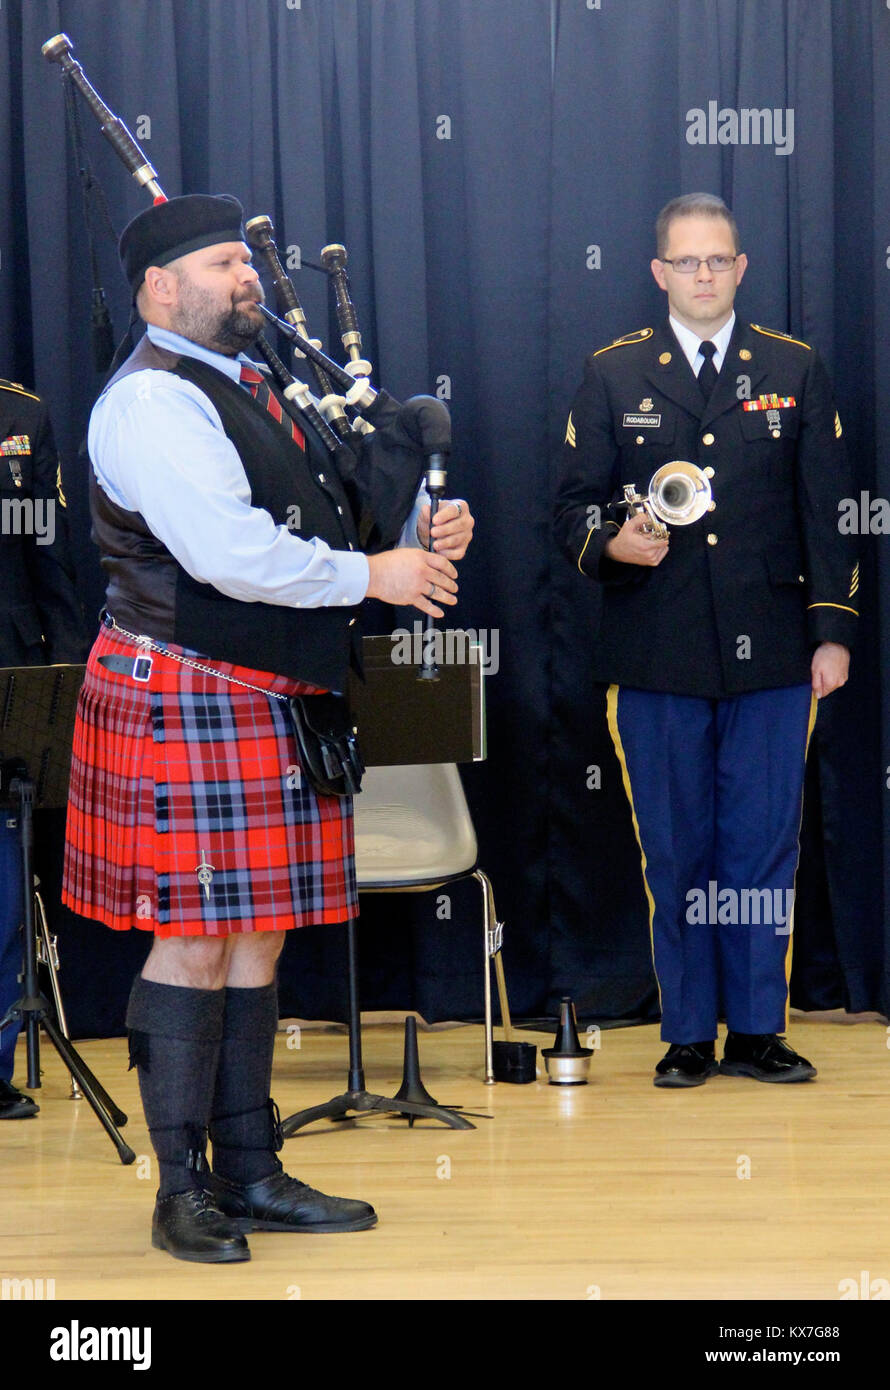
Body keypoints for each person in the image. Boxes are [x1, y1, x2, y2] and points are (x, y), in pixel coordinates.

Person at [62, 194, 474, 1262]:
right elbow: (229, 554)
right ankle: (180, 1190)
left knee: (255, 934)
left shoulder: (251, 386)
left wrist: (420, 531)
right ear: (160, 288)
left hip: (264, 694)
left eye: (247, 263)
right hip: (186, 688)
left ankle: (251, 1169)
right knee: (195, 938)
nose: (248, 279)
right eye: (221, 264)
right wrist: (373, 574)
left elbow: (326, 507)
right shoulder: (153, 403)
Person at [555, 193, 857, 1089]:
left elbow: (829, 519)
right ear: (658, 273)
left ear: (741, 269)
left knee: (763, 845)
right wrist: (613, 539)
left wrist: (832, 635)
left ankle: (759, 1027)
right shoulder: (612, 373)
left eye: (718, 260)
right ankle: (687, 1031)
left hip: (772, 654)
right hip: (654, 652)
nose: (703, 275)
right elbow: (569, 506)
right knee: (677, 846)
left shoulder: (794, 368)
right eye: (687, 262)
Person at [0, 379, 89, 1118]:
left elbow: (48, 556)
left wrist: (68, 678)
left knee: (2, 884)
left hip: (8, 672)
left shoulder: (21, 414)